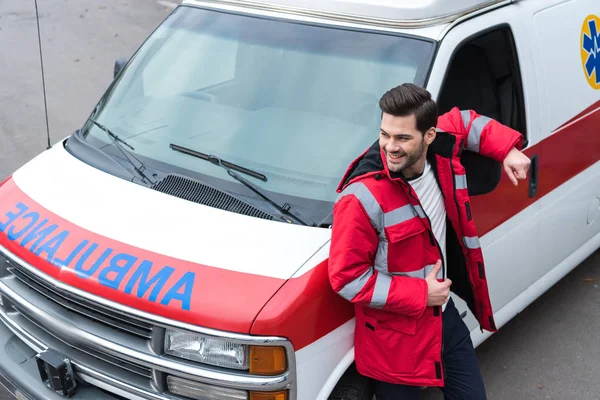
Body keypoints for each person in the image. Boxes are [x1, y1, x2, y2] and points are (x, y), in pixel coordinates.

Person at [328, 83, 531, 399]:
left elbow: (468, 122)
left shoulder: (441, 150)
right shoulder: (360, 198)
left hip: (443, 317)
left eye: (403, 138)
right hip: (395, 342)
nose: (390, 147)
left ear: (430, 136)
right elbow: (346, 278)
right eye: (385, 134)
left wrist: (508, 149)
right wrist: (421, 293)